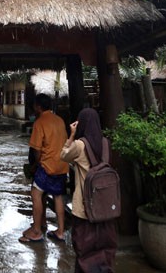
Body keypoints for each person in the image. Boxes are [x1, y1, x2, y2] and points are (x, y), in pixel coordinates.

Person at [61, 108, 118, 272]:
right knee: (104, 247)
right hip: (105, 206)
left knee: (85, 248)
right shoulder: (106, 143)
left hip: (84, 207)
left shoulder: (80, 145)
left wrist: (71, 135)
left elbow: (63, 156)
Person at [19, 93, 69, 243]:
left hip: (46, 165)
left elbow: (37, 150)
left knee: (36, 194)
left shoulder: (40, 123)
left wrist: (35, 165)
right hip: (62, 165)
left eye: (34, 105)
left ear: (38, 107)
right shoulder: (59, 120)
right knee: (58, 196)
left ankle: (36, 230)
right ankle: (60, 231)